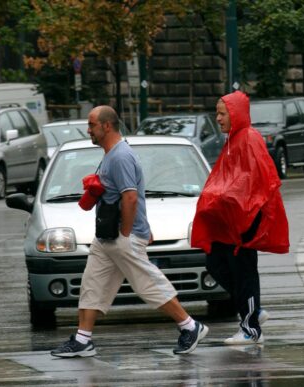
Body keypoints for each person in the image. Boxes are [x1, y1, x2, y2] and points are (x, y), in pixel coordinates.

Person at [51, 106, 208, 357]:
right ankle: (83, 339)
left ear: (107, 126)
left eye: (91, 125)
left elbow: (131, 197)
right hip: (107, 236)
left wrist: (127, 233)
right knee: (92, 284)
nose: (88, 130)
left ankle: (190, 326)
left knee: (146, 283)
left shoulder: (121, 156)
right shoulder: (112, 154)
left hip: (121, 235)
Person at [191, 91, 289, 345]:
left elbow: (253, 180)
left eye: (222, 113)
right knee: (216, 264)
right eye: (217, 113)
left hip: (244, 218)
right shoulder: (234, 140)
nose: (218, 118)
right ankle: (253, 311)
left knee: (243, 271)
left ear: (235, 114)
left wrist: (224, 197)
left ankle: (251, 328)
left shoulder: (248, 139)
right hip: (231, 218)